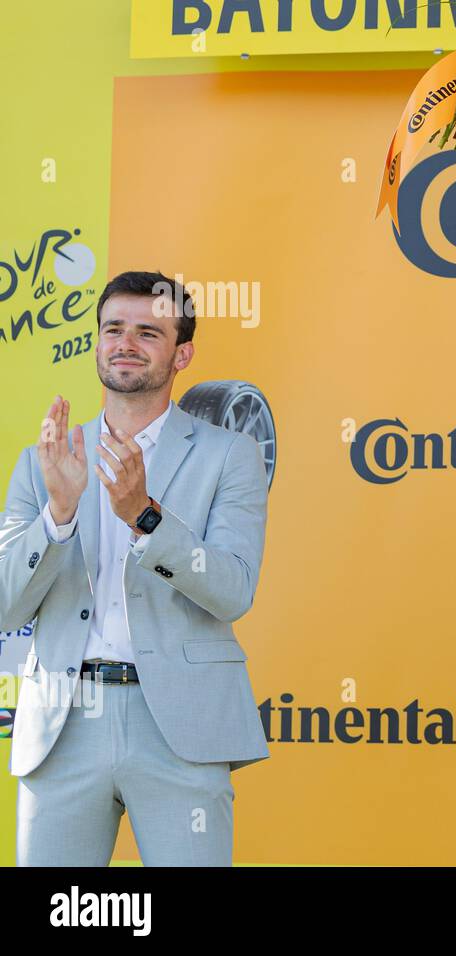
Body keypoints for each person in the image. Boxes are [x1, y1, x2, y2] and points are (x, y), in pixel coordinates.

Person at [0, 272, 270, 866]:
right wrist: (59, 516)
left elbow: (231, 589)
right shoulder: (44, 461)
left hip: (181, 725)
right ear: (96, 342)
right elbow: (5, 607)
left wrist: (144, 517)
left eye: (149, 332)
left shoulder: (231, 456)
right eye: (113, 329)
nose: (126, 342)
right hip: (62, 727)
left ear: (182, 354)